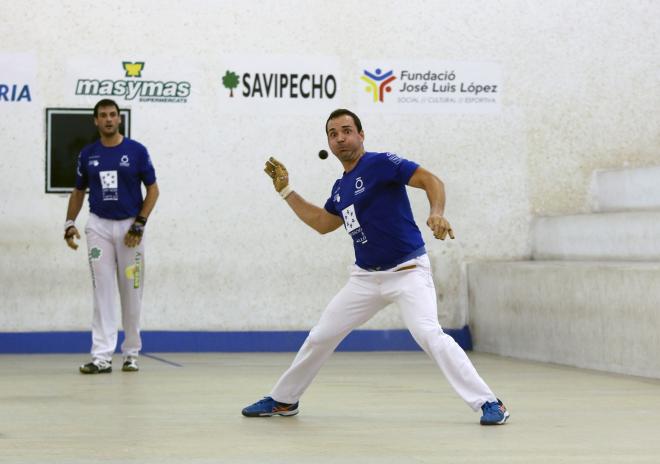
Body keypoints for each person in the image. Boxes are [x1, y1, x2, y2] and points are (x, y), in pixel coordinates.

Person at [242, 108, 509, 425]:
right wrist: (286, 191)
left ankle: (490, 403)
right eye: (333, 133)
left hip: (407, 271)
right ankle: (284, 401)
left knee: (429, 334)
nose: (340, 137)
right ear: (329, 142)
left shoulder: (382, 164)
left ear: (360, 135)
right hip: (365, 279)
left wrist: (437, 211)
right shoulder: (340, 189)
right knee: (321, 336)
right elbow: (321, 223)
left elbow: (430, 180)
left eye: (346, 130)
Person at [63, 98, 159, 374]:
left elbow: (153, 190)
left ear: (119, 119)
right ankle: (102, 356)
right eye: (103, 115)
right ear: (96, 121)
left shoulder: (137, 151)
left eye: (112, 115)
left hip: (130, 228)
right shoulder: (87, 154)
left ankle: (131, 353)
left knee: (132, 292)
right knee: (102, 292)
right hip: (98, 228)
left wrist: (139, 224)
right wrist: (69, 223)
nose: (108, 119)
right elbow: (79, 191)